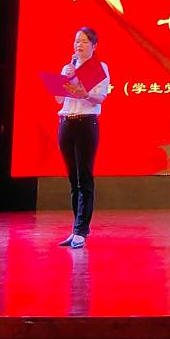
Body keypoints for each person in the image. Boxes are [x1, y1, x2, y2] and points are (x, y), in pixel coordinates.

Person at [55, 27, 110, 249]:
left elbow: (99, 98)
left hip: (86, 123)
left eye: (85, 41)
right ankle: (75, 228)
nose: (79, 45)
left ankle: (81, 230)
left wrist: (82, 89)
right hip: (66, 122)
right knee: (73, 178)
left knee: (84, 177)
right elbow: (58, 99)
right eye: (77, 41)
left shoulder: (99, 67)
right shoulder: (68, 67)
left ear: (94, 46)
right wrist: (66, 77)